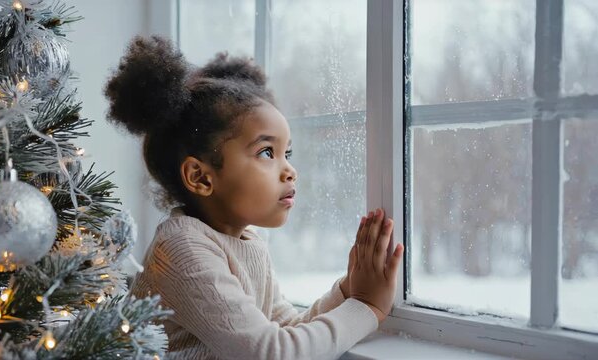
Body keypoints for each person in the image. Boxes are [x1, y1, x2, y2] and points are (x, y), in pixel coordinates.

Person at [104, 35, 404, 360]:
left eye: (286, 152)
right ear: (201, 177)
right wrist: (366, 308)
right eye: (266, 152)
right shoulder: (182, 249)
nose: (290, 171)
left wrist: (348, 293)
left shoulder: (248, 243)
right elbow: (270, 353)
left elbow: (285, 327)